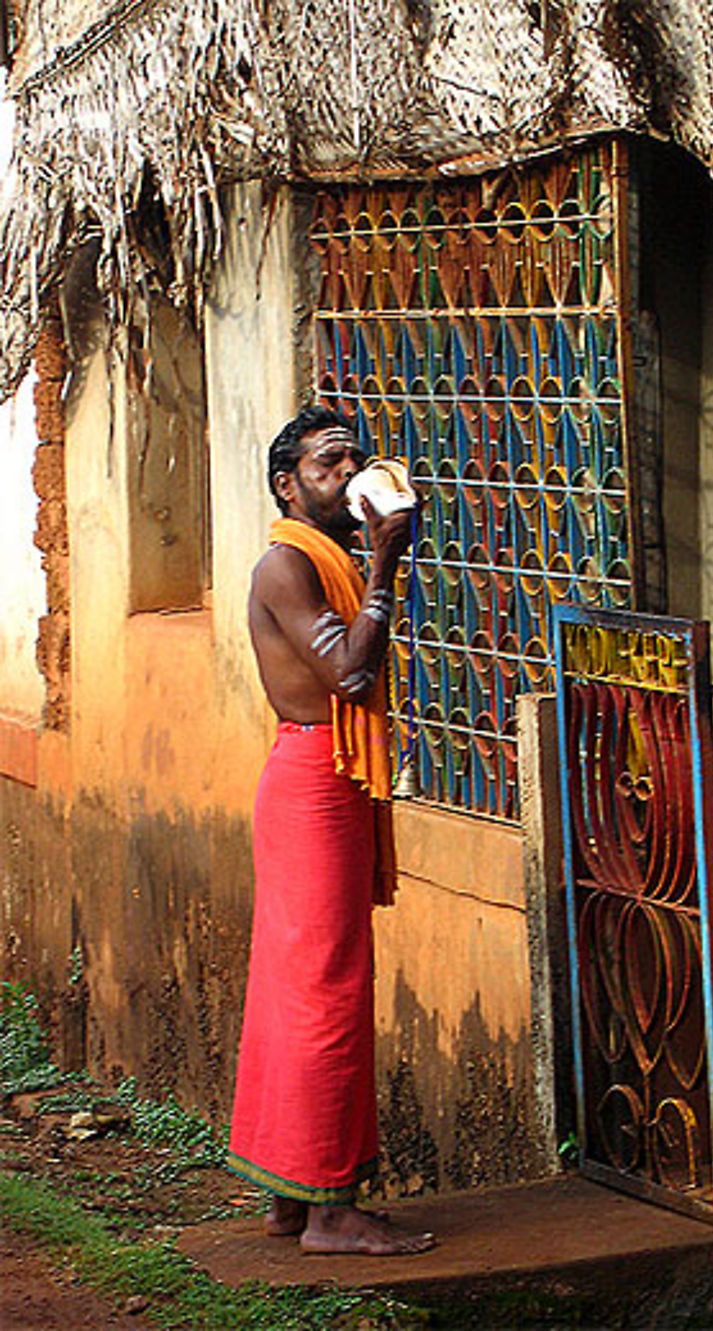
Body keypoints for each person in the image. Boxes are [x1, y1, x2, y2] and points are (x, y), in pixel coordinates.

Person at [226, 404, 433, 1255]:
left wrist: (378, 558)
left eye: (354, 461)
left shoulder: (327, 560)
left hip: (322, 778)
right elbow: (351, 673)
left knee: (299, 982)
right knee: (326, 988)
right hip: (316, 777)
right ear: (287, 485)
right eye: (326, 465)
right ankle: (330, 1211)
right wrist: (386, 559)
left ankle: (286, 1195)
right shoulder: (287, 564)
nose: (346, 476)